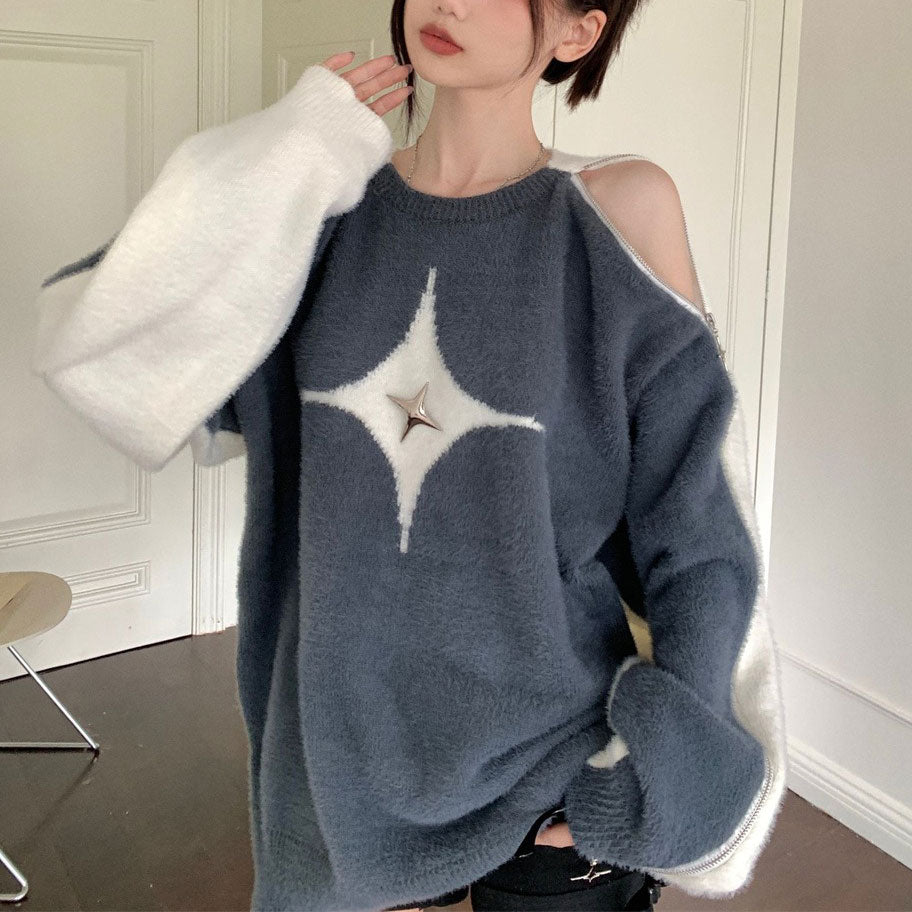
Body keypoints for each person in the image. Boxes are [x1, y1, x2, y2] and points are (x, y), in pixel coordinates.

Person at [32, 1, 788, 910]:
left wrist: (668, 770)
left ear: (577, 33)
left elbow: (698, 527)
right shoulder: (323, 211)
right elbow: (97, 351)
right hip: (342, 771)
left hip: (554, 759)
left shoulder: (617, 211)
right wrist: (284, 153)